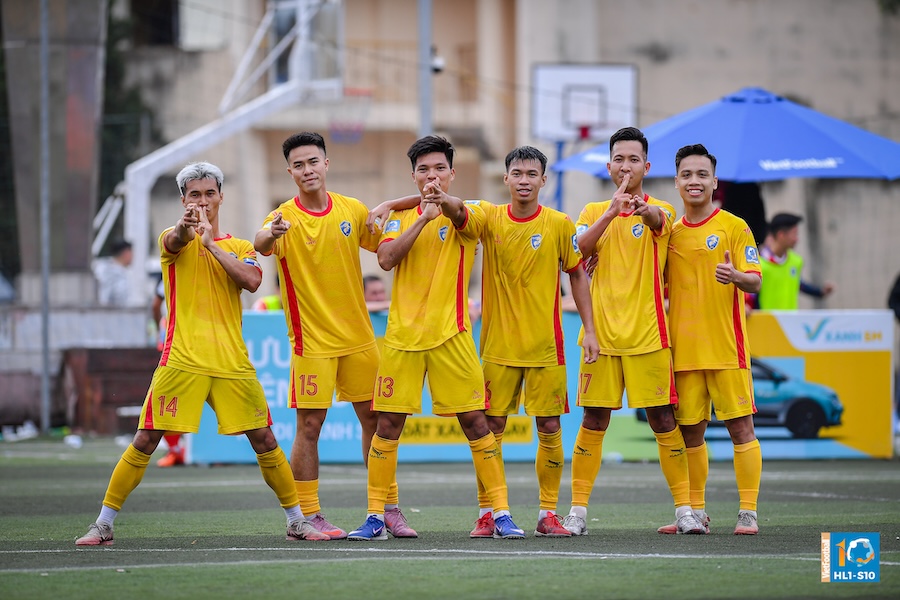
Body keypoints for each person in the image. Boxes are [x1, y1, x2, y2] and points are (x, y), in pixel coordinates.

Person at [75, 161, 328, 546]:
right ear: (184, 200)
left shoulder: (241, 247)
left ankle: (296, 521)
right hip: (182, 359)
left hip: (232, 363)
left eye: (210, 193)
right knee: (145, 439)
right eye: (195, 195)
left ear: (221, 196)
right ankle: (103, 524)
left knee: (264, 439)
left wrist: (211, 244)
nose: (203, 201)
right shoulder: (171, 237)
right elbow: (176, 240)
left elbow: (252, 280)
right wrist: (188, 229)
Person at [372, 146, 600, 538]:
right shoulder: (488, 216)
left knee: (549, 426)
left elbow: (577, 274)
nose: (524, 181)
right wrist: (395, 203)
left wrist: (590, 330)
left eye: (532, 174)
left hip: (546, 346)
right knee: (489, 427)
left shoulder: (560, 223)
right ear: (506, 179)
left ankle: (548, 514)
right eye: (517, 174)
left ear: (543, 180)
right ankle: (488, 513)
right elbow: (449, 209)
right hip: (495, 346)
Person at [348, 135, 524, 540]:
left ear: (452, 173)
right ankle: (376, 516)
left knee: (476, 423)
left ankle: (500, 513)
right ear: (413, 175)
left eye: (439, 168)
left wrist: (426, 205)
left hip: (452, 336)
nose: (432, 176)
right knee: (386, 425)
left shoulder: (472, 211)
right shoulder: (399, 218)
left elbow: (458, 211)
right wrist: (418, 216)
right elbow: (386, 259)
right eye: (424, 169)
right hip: (402, 339)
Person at [254, 132, 412, 540]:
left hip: (359, 338)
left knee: (376, 420)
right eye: (299, 165)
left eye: (313, 161)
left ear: (326, 164)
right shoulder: (281, 217)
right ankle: (307, 515)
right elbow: (260, 243)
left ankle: (387, 509)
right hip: (312, 342)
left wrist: (397, 205)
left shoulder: (351, 210)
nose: (307, 170)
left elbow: (387, 247)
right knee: (309, 425)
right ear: (290, 171)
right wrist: (272, 233)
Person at [559, 127, 702, 536]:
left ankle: (685, 510)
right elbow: (576, 254)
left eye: (634, 160)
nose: (626, 166)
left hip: (648, 336)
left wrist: (641, 210)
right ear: (608, 166)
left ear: (647, 166)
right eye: (619, 159)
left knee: (662, 419)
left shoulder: (663, 210)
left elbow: (658, 222)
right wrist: (610, 213)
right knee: (593, 420)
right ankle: (578, 512)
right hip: (600, 337)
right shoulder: (592, 211)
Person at [666, 144, 763, 535]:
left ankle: (748, 512)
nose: (694, 181)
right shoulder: (668, 234)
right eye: (687, 174)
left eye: (702, 174)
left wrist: (735, 277)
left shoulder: (735, 227)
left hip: (726, 349)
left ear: (714, 181)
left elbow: (755, 280)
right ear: (676, 182)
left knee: (741, 429)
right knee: (690, 434)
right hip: (684, 352)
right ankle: (695, 512)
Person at [754, 212, 834, 310]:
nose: (797, 239)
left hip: (790, 319)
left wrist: (820, 292)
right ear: (781, 235)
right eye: (794, 234)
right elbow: (751, 293)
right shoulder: (758, 263)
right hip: (766, 319)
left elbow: (798, 284)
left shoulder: (796, 261)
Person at [150, 277, 185, 468]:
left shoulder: (170, 267)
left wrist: (160, 330)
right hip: (183, 334)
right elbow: (156, 304)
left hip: (176, 335)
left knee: (169, 396)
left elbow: (156, 304)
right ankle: (177, 449)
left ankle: (177, 449)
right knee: (172, 395)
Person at [94, 239, 133, 306]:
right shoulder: (113, 274)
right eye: (131, 252)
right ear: (126, 253)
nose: (132, 256)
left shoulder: (104, 268)